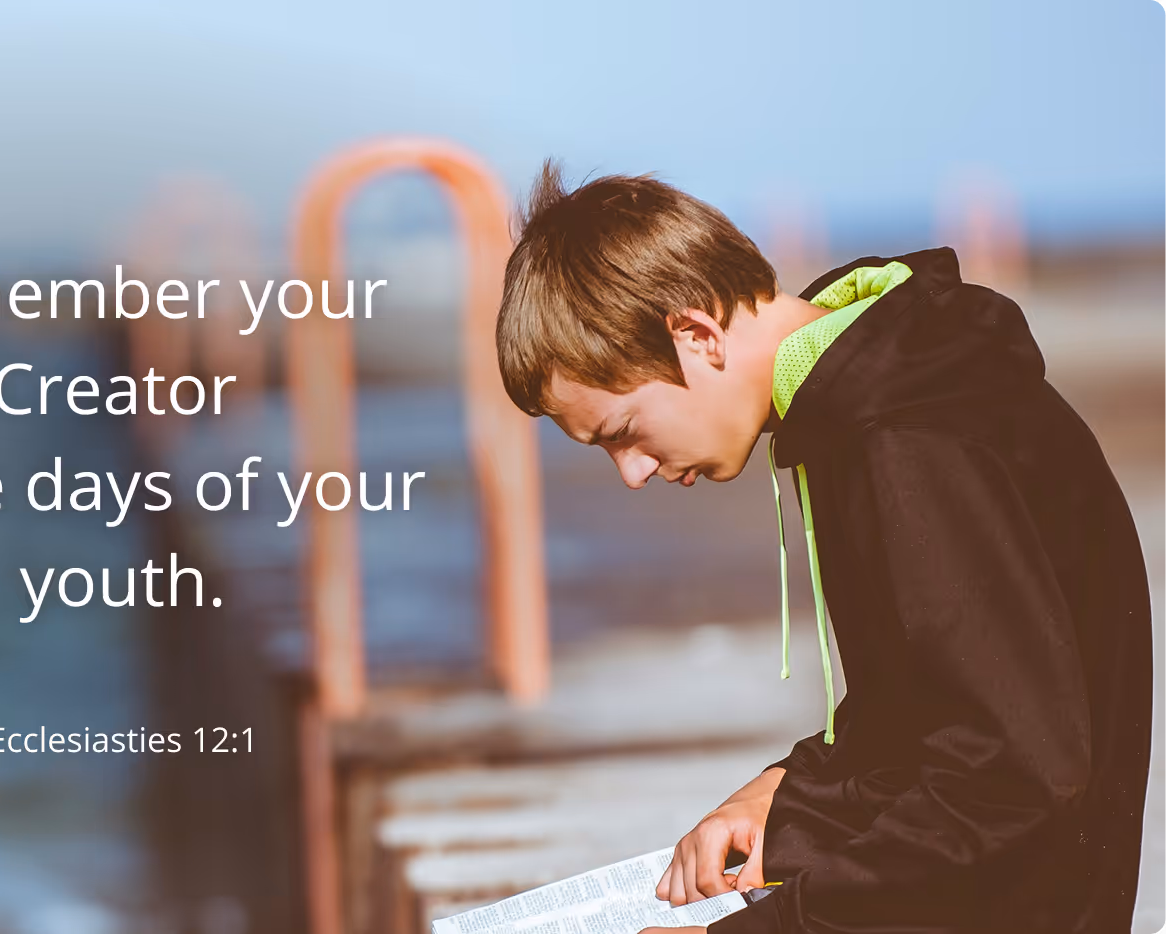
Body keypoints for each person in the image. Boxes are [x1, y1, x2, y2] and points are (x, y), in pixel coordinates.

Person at [494, 161, 1152, 933]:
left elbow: (1007, 778)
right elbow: (936, 710)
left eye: (623, 433)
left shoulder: (909, 444)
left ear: (696, 335)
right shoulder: (877, 401)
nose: (632, 474)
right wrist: (786, 797)